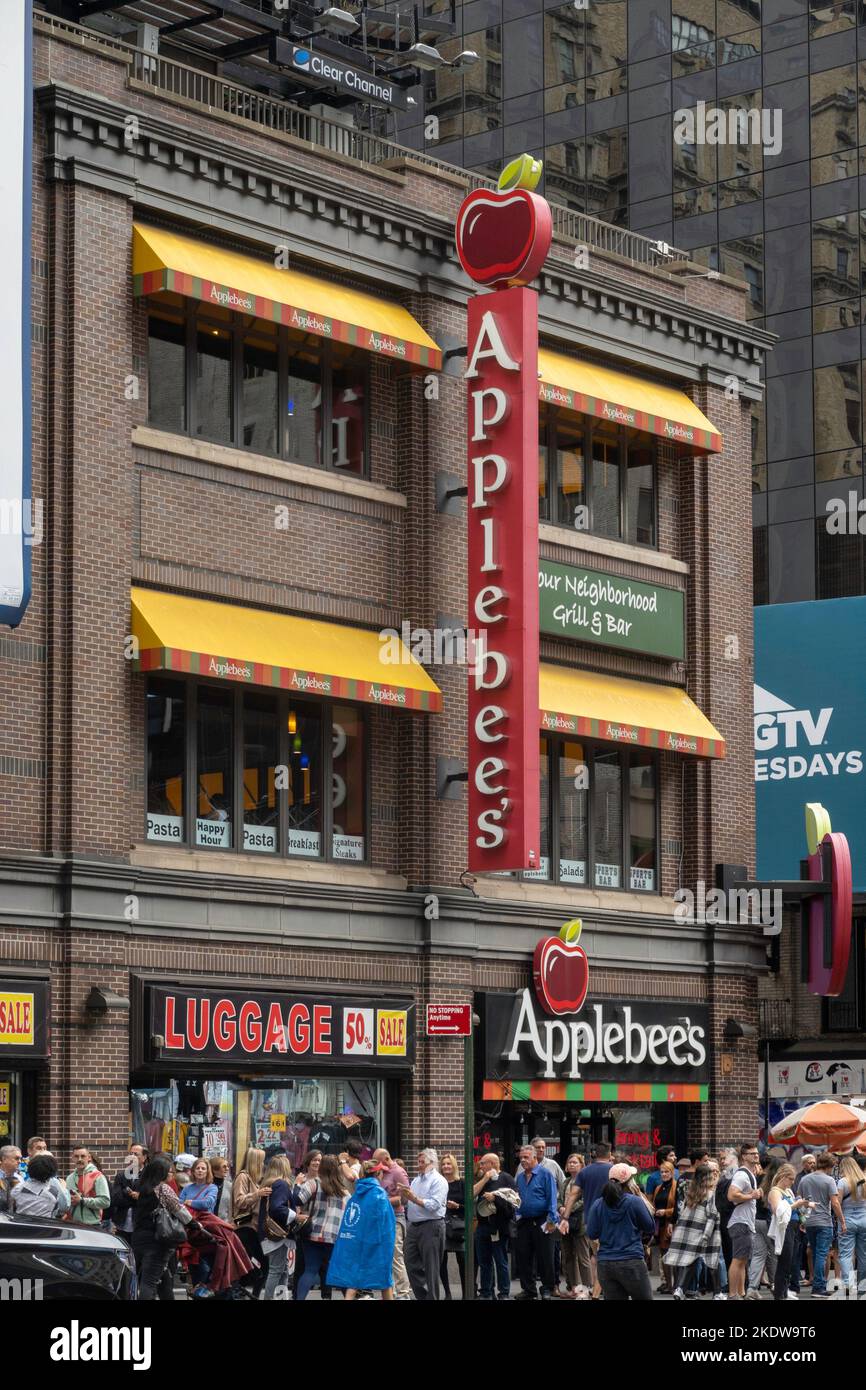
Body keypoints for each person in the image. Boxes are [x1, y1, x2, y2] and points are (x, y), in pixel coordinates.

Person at [585, 1162, 654, 1300]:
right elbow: (650, 1227)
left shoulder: (598, 1203)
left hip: (605, 1263)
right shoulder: (635, 1201)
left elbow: (592, 1233)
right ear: (629, 1182)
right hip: (632, 1260)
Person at [327, 1163, 396, 1300]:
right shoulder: (379, 1194)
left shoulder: (357, 1193)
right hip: (377, 1245)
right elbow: (387, 1224)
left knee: (354, 1280)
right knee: (385, 1280)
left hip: (356, 1243)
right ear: (378, 1174)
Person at [132, 1153, 195, 1301]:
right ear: (162, 1173)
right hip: (157, 1240)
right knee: (149, 1282)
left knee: (164, 1280)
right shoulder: (163, 1189)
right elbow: (179, 1210)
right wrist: (194, 1224)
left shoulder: (143, 1187)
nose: (172, 1174)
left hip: (139, 1238)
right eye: (170, 1171)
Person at [664, 1164, 725, 1301]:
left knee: (691, 1261)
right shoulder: (710, 1194)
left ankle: (680, 1289)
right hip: (707, 1232)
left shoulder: (691, 1192)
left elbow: (683, 1213)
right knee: (712, 1261)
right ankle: (717, 1293)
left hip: (690, 1231)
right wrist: (706, 1235)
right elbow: (712, 1215)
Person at [294, 1153, 348, 1300]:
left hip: (312, 1234)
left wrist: (297, 1184)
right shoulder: (344, 1192)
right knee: (337, 1271)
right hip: (334, 1237)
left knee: (310, 1270)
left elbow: (297, 1200)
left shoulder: (313, 1183)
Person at [399, 1149, 449, 1301]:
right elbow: (409, 1202)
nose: (419, 1165)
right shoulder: (416, 1180)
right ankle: (424, 1296)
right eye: (418, 1162)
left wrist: (413, 1198)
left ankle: (431, 1297)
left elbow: (434, 1205)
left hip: (432, 1225)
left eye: (422, 1162)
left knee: (431, 1267)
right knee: (410, 1263)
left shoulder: (438, 1181)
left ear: (432, 1164)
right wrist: (404, 1196)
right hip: (414, 1225)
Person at [513, 1143, 559, 1301]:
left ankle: (547, 1288)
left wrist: (552, 1220)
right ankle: (529, 1289)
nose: (523, 1160)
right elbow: (517, 1199)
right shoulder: (519, 1177)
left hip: (542, 1219)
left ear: (534, 1158)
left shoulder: (546, 1174)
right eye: (521, 1158)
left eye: (526, 1157)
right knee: (524, 1256)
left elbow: (552, 1198)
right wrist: (517, 1214)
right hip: (525, 1221)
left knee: (545, 1256)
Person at [799, 1151, 845, 1299]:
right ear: (830, 1165)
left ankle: (817, 1283)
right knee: (821, 1254)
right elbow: (835, 1203)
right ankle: (819, 1287)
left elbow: (800, 1200)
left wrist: (803, 1219)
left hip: (810, 1222)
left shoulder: (805, 1179)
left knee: (815, 1253)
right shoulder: (829, 1180)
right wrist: (842, 1221)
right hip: (824, 1221)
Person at [474, 1152, 518, 1301]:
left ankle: (504, 1292)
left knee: (500, 1261)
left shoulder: (507, 1179)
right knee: (484, 1261)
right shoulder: (483, 1178)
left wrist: (496, 1198)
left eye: (483, 1163)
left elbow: (513, 1205)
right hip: (482, 1226)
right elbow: (471, 1194)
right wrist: (485, 1178)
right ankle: (486, 1291)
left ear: (492, 1164)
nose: (480, 1166)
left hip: (498, 1227)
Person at [371, 1147, 412, 1300]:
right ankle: (391, 1293)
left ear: (386, 1159)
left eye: (378, 1162)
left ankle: (403, 1293)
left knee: (396, 1257)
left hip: (395, 1218)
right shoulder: (381, 1172)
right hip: (382, 1219)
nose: (376, 1165)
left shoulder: (398, 1172)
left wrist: (382, 1201)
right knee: (385, 1257)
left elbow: (405, 1198)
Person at [766, 1163, 810, 1302]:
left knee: (790, 1261)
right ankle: (780, 1293)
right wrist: (795, 1205)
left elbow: (793, 1209)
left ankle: (784, 1291)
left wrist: (803, 1205)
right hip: (785, 1229)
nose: (792, 1182)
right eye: (790, 1179)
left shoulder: (788, 1191)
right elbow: (777, 1210)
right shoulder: (775, 1191)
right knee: (784, 1262)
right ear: (783, 1177)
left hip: (794, 1226)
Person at [232, 1147, 272, 1298]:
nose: (263, 1165)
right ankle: (241, 1291)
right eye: (261, 1161)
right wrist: (258, 1194)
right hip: (245, 1227)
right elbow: (239, 1201)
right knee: (256, 1263)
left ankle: (246, 1292)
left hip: (254, 1228)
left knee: (260, 1264)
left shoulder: (254, 1179)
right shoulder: (243, 1177)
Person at [725, 1142, 761, 1300]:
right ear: (744, 1157)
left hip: (745, 1222)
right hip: (741, 1222)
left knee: (742, 1260)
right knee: (738, 1260)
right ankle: (733, 1294)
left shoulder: (749, 1173)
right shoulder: (741, 1174)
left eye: (757, 1153)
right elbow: (732, 1195)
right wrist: (751, 1196)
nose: (756, 1155)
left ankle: (741, 1293)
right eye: (752, 1153)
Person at [260, 1153, 297, 1300]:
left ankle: (281, 1298)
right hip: (277, 1234)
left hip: (269, 1232)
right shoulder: (281, 1184)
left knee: (282, 1270)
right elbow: (276, 1208)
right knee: (277, 1270)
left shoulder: (268, 1183)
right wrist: (295, 1216)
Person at [558, 1153, 593, 1297]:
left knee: (583, 1257)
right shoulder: (565, 1182)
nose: (572, 1164)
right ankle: (573, 1287)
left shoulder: (585, 1181)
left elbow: (584, 1201)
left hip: (580, 1221)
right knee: (568, 1255)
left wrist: (568, 1209)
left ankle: (587, 1288)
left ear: (581, 1165)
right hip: (564, 1222)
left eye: (575, 1162)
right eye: (570, 1162)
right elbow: (559, 1199)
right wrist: (560, 1207)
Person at [746, 1155, 780, 1298]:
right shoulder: (773, 1182)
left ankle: (752, 1287)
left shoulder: (756, 1178)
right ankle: (775, 1284)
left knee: (758, 1255)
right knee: (773, 1254)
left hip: (756, 1219)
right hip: (768, 1221)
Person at [836, 1154, 866, 1296]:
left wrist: (840, 1220)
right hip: (864, 1220)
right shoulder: (864, 1180)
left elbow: (837, 1203)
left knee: (846, 1254)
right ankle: (863, 1285)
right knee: (863, 1254)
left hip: (847, 1220)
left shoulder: (842, 1182)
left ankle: (848, 1286)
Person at [9, 1153, 70, 1219]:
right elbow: (65, 1207)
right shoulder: (53, 1192)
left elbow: (11, 1207)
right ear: (51, 1172)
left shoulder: (17, 1188)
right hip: (45, 1226)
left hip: (20, 1225)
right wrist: (63, 1188)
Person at [439, 1152, 465, 1299]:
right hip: (443, 1224)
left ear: (454, 1165)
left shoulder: (461, 1183)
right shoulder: (438, 1183)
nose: (446, 1166)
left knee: (462, 1258)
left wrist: (457, 1206)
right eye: (443, 1164)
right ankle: (447, 1293)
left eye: (448, 1163)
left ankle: (465, 1292)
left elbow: (468, 1206)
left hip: (459, 1225)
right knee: (442, 1258)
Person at [66, 1146, 111, 1227]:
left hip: (92, 1225)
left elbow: (105, 1202)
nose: (79, 1159)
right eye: (76, 1156)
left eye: (83, 1156)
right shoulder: (69, 1178)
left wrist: (82, 1200)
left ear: (89, 1158)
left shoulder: (97, 1176)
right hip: (73, 1224)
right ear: (72, 1158)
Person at [652, 1160, 678, 1293]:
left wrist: (666, 1212)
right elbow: (655, 1203)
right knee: (664, 1255)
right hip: (660, 1225)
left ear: (672, 1172)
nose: (664, 1174)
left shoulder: (676, 1186)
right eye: (662, 1172)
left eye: (666, 1171)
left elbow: (680, 1208)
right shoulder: (658, 1188)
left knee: (674, 1256)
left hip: (672, 1225)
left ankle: (677, 1285)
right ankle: (668, 1284)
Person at [110, 1143, 147, 1235]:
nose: (132, 1157)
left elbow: (151, 1200)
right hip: (122, 1224)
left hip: (141, 1224)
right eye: (131, 1154)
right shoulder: (121, 1176)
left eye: (136, 1154)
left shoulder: (149, 1176)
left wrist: (139, 1197)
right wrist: (131, 1196)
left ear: (144, 1157)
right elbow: (115, 1199)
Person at [0, 1145, 22, 1213]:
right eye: (16, 1158)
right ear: (4, 1159)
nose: (19, 1161)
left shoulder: (20, 1179)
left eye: (20, 1159)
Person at [210, 1156, 233, 1220]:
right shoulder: (206, 1185)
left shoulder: (230, 1186)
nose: (227, 1169)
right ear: (215, 1169)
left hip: (224, 1223)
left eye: (227, 1166)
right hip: (207, 1223)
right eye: (224, 1167)